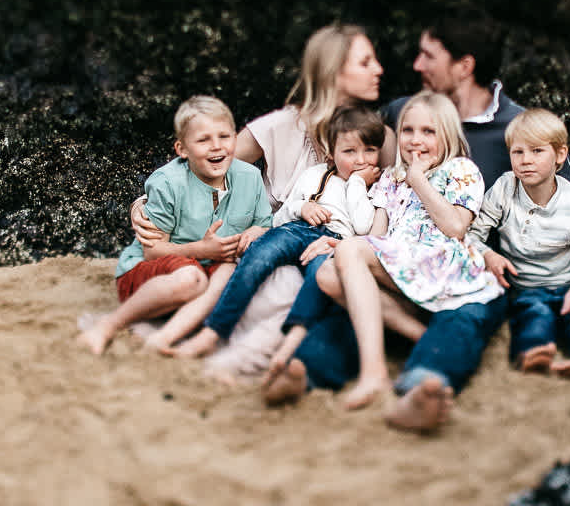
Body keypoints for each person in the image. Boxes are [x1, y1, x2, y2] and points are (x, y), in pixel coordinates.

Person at [279, 16, 570, 430]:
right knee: (345, 286)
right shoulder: (403, 112)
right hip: (404, 260)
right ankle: (308, 370)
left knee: (462, 317)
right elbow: (358, 158)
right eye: (409, 131)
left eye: (428, 56)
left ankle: (426, 385)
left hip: (474, 267)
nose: (416, 65)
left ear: (464, 66)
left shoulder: (518, 131)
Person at [125, 24, 384, 363]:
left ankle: (265, 359)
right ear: (333, 70)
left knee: (320, 284)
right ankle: (220, 346)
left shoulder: (379, 136)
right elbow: (200, 163)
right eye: (365, 62)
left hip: (334, 250)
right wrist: (143, 203)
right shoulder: (280, 126)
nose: (379, 69)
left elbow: (392, 207)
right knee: (279, 281)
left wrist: (348, 245)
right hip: (267, 244)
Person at [263, 91, 502, 414]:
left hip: (443, 268)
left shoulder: (460, 169)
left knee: (347, 261)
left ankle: (377, 373)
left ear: (447, 134)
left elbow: (455, 227)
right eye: (408, 131)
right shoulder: (390, 178)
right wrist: (339, 246)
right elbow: (375, 235)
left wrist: (418, 178)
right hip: (400, 268)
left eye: (428, 132)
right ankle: (405, 335)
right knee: (328, 272)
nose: (415, 140)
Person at [166, 105, 385, 359]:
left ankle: (291, 344)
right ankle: (214, 331)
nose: (360, 160)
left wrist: (358, 182)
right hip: (298, 229)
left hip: (333, 242)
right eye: (349, 151)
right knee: (260, 254)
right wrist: (302, 207)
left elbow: (362, 226)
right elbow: (280, 216)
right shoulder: (316, 175)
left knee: (320, 278)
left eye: (369, 150)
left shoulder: (376, 188)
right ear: (331, 152)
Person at [76, 96, 272, 355]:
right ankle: (108, 325)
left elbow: (264, 224)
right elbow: (152, 250)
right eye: (203, 140)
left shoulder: (250, 177)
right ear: (182, 149)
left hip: (211, 271)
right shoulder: (168, 182)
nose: (217, 147)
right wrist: (202, 250)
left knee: (227, 271)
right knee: (192, 279)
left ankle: (165, 338)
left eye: (224, 137)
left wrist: (255, 231)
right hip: (153, 272)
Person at [471, 108, 570, 376]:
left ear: (560, 155)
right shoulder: (505, 189)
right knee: (533, 313)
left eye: (537, 151)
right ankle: (535, 353)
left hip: (567, 286)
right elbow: (473, 234)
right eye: (518, 152)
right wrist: (487, 255)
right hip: (525, 287)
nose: (526, 160)